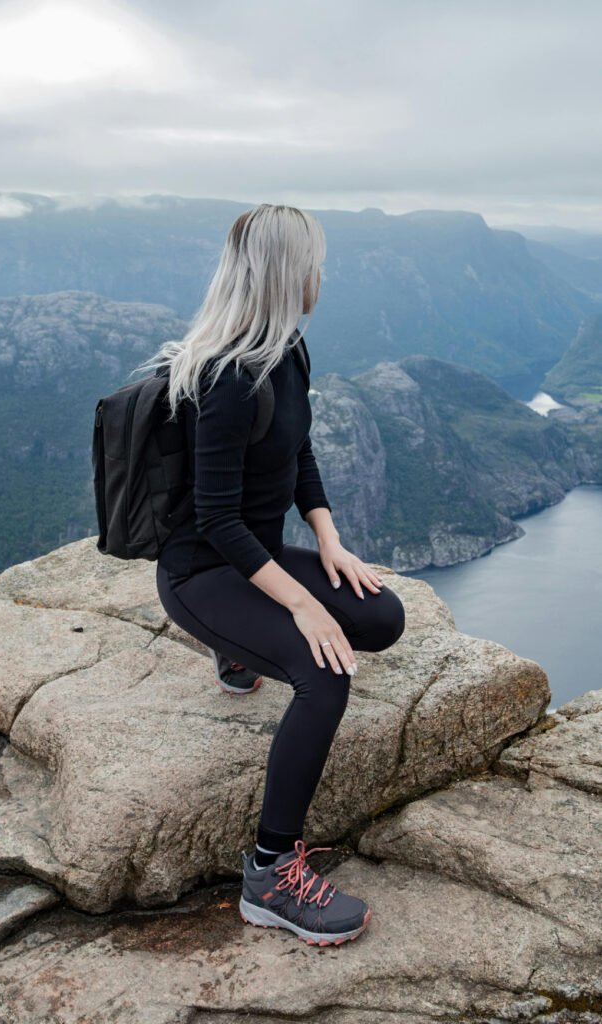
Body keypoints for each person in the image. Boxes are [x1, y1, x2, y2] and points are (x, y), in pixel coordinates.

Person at [134, 204, 406, 946]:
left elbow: (298, 454)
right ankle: (268, 874)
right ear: (289, 274)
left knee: (380, 618)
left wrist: (329, 542)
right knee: (328, 673)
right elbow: (218, 522)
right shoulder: (226, 377)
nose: (324, 275)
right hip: (202, 571)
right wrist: (302, 608)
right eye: (316, 262)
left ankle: (241, 648)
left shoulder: (286, 350)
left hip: (254, 560)